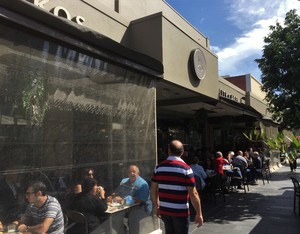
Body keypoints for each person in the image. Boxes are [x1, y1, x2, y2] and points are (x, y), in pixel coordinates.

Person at [151, 140, 203, 234]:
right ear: (182, 152)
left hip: (165, 210)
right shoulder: (186, 169)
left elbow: (153, 189)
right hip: (180, 212)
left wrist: (157, 206)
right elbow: (193, 193)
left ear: (168, 151)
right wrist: (199, 213)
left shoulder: (158, 168)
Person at [109, 165, 152, 234]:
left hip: (141, 207)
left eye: (134, 172)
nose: (131, 174)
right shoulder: (124, 181)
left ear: (138, 173)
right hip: (124, 207)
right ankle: (124, 231)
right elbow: (117, 192)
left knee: (133, 219)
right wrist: (112, 197)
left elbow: (139, 200)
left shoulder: (143, 184)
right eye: (129, 172)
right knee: (113, 218)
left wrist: (122, 200)